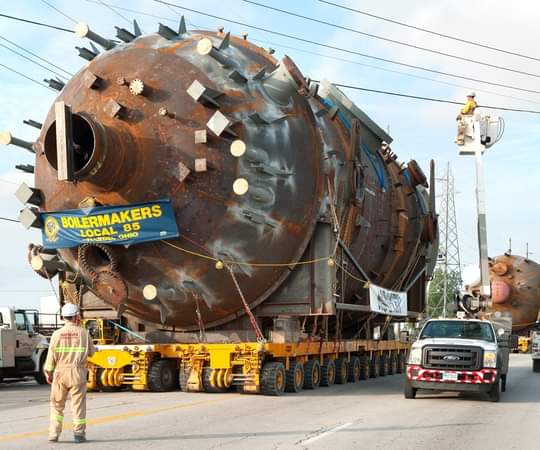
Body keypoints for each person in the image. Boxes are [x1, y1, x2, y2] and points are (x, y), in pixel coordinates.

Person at [45, 303, 95, 443]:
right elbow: (92, 352)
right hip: (78, 372)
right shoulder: (84, 333)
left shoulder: (56, 334)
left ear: (63, 317)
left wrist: (49, 372)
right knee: (78, 405)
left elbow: (51, 356)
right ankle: (79, 434)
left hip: (60, 373)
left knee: (57, 405)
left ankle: (54, 433)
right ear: (76, 316)